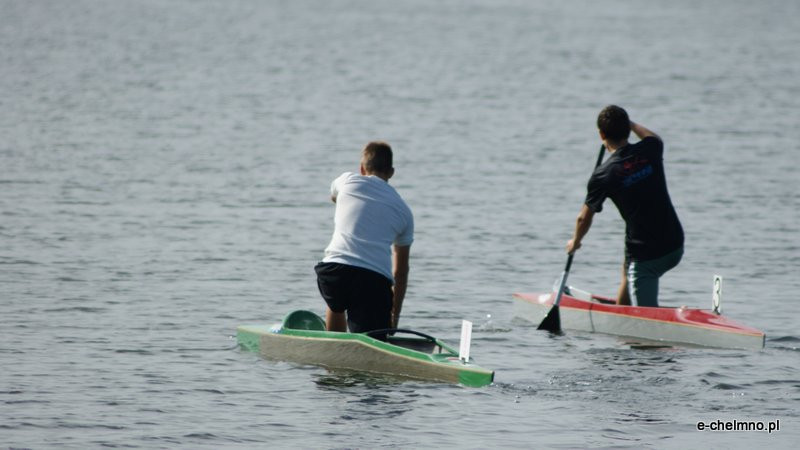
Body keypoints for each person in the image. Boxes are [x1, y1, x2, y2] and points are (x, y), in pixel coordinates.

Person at [566, 105, 684, 307]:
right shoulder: (651, 149)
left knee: (645, 319)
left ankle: (645, 323)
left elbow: (583, 218)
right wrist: (629, 123)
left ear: (601, 134)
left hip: (647, 256)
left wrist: (575, 241)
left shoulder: (603, 175)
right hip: (675, 244)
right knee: (626, 270)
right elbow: (654, 137)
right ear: (628, 130)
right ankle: (620, 324)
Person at [315, 141, 414, 338]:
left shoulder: (346, 180)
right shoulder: (404, 211)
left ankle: (333, 346)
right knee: (374, 335)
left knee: (336, 302)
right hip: (372, 281)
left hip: (333, 272)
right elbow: (400, 272)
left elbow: (333, 197)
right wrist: (394, 316)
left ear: (362, 168)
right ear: (391, 172)